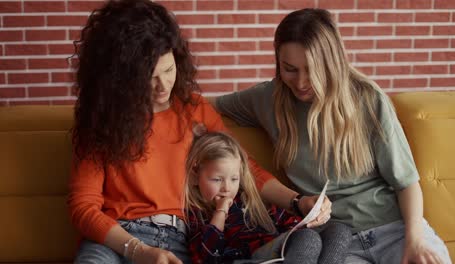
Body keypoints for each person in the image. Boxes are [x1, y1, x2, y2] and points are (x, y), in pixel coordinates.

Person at [68, 1, 330, 263]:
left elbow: (243, 167)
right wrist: (138, 250)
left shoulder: (193, 109)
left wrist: (298, 202)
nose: (163, 86)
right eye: (149, 77)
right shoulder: (101, 121)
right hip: (115, 239)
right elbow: (83, 207)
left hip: (176, 238)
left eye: (169, 70)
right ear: (121, 78)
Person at [214, 8, 452, 264]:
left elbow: (406, 183)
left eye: (313, 69)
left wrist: (414, 241)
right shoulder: (268, 99)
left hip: (396, 230)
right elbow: (204, 107)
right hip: (338, 243)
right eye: (290, 69)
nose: (302, 82)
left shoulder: (367, 98)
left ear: (333, 63)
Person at [184, 129, 352, 264]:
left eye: (234, 179)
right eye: (217, 179)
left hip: (276, 249)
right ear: (195, 176)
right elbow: (207, 257)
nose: (227, 188)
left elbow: (285, 223)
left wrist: (307, 221)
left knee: (339, 230)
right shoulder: (195, 213)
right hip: (247, 258)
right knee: (307, 239)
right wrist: (220, 213)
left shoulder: (247, 200)